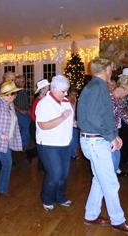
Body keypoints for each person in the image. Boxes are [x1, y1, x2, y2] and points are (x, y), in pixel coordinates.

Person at [77, 57, 128, 234]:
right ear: (106, 69)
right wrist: (111, 136)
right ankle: (118, 220)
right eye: (111, 68)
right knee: (111, 183)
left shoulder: (93, 86)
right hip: (96, 141)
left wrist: (113, 136)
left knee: (99, 179)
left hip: (93, 139)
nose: (112, 71)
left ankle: (91, 215)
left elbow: (99, 116)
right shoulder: (98, 87)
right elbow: (95, 117)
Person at [35, 75, 73, 211]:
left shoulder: (65, 101)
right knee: (55, 173)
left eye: (67, 91)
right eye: (63, 91)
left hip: (64, 143)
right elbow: (43, 125)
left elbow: (68, 118)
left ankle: (59, 196)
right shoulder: (44, 103)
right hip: (48, 144)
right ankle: (46, 198)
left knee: (63, 174)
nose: (66, 93)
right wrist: (62, 117)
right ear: (54, 89)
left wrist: (72, 122)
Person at [26, 79, 50, 171]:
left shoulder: (44, 100)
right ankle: (41, 166)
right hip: (36, 126)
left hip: (39, 126)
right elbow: (33, 116)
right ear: (42, 90)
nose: (49, 90)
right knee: (42, 147)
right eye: (47, 88)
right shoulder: (38, 101)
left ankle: (41, 166)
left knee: (42, 147)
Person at [14, 74, 31, 150]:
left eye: (24, 81)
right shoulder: (15, 91)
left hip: (25, 112)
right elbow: (11, 102)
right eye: (23, 82)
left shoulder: (22, 90)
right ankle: (23, 145)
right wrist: (20, 110)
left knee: (21, 128)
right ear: (17, 82)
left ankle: (19, 145)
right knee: (27, 126)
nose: (24, 83)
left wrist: (28, 110)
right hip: (18, 112)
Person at [67, 86, 80, 159]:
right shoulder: (65, 100)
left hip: (75, 122)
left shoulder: (76, 100)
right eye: (72, 94)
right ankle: (72, 153)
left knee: (76, 138)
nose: (73, 96)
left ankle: (72, 152)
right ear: (69, 93)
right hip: (68, 122)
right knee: (71, 139)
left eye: (75, 95)